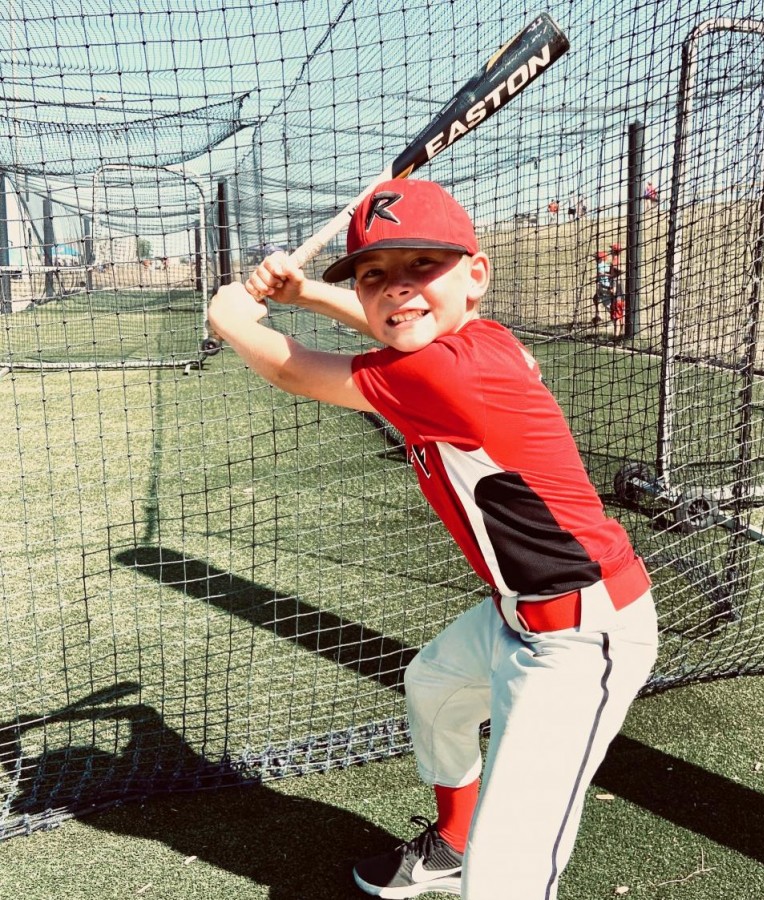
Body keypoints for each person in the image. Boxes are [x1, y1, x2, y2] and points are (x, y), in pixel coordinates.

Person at [208, 179, 658, 900]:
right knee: (434, 688)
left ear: (476, 274)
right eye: (374, 275)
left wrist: (233, 317)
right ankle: (450, 843)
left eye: (425, 265)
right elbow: (400, 329)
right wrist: (307, 296)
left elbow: (293, 368)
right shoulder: (480, 339)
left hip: (584, 635)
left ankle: (477, 863)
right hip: (518, 613)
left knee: (506, 878)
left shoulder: (453, 376)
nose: (398, 290)